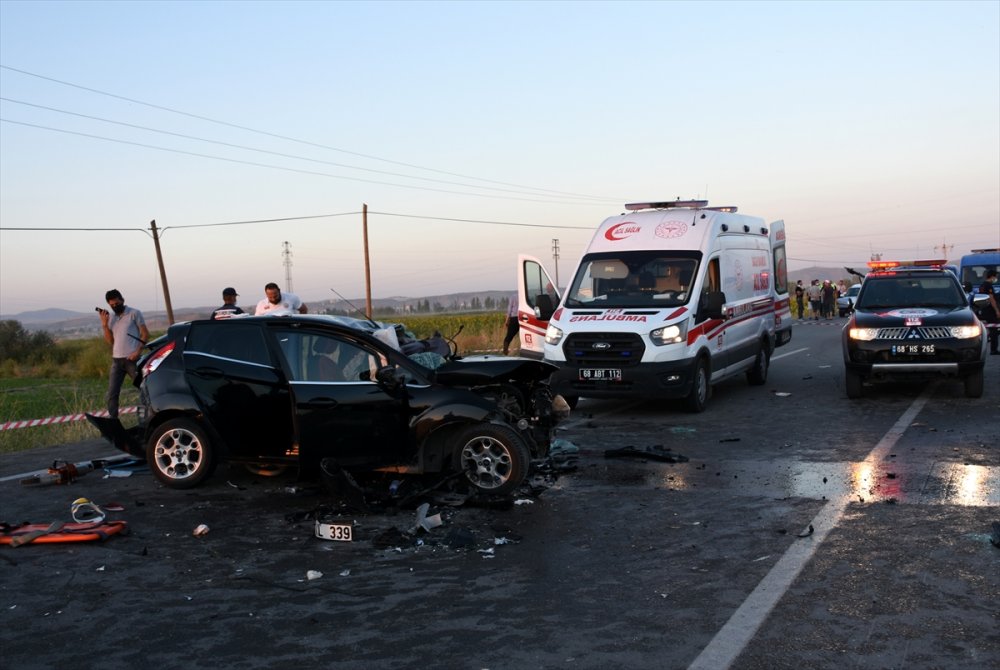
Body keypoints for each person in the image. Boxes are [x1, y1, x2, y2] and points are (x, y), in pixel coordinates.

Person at [98, 289, 149, 420]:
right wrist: (104, 325)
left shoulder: (134, 313)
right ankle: (113, 420)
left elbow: (145, 334)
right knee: (112, 393)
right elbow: (111, 341)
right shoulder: (111, 318)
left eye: (117, 303)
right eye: (112, 305)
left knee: (144, 389)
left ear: (122, 300)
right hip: (117, 360)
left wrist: (138, 352)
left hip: (132, 360)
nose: (115, 306)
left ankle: (149, 417)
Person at [977, 270, 999, 355]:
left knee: (992, 329)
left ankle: (988, 341)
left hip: (984, 309)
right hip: (990, 311)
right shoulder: (988, 285)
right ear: (992, 276)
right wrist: (997, 310)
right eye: (995, 276)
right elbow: (991, 299)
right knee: (994, 330)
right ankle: (994, 349)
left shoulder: (982, 285)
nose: (996, 278)